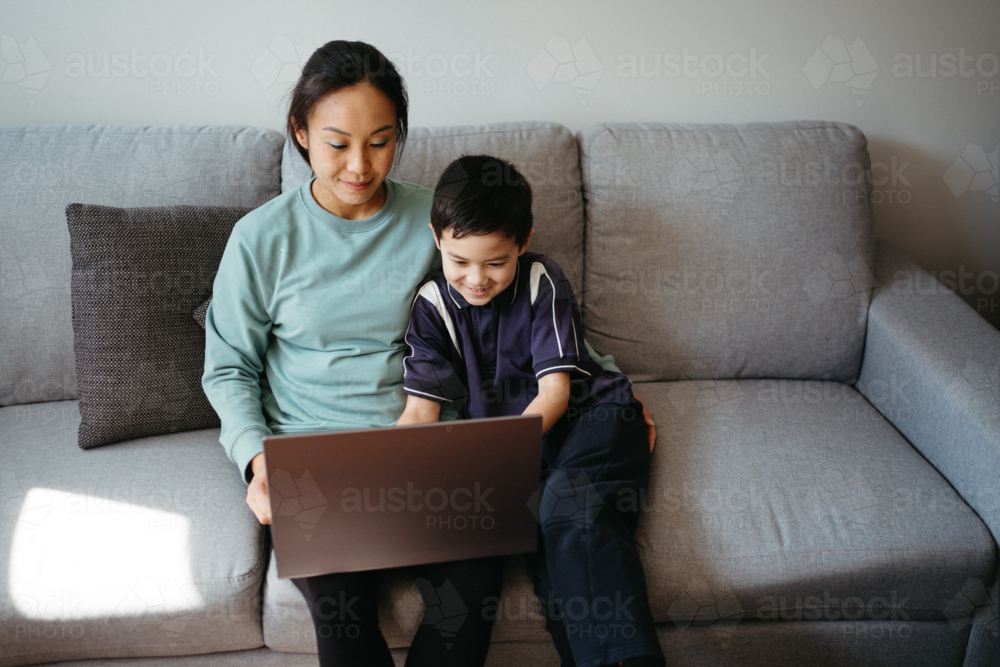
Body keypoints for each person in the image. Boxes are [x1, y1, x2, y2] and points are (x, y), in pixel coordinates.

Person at [397, 154, 665, 667]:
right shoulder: (431, 304)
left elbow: (555, 395)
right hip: (528, 451)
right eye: (460, 261)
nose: (476, 279)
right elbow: (419, 413)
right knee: (547, 550)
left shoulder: (544, 278)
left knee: (569, 509)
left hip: (594, 420)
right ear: (436, 238)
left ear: (523, 243)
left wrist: (500, 462)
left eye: (496, 262)